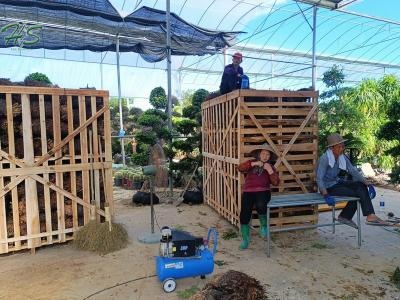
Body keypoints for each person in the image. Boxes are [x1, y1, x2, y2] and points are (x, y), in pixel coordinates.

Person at [316, 133, 389, 227]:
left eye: (342, 146)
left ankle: (370, 215)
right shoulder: (325, 159)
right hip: (328, 187)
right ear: (331, 148)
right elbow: (319, 178)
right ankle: (345, 216)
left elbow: (353, 171)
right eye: (339, 147)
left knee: (360, 185)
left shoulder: (342, 157)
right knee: (358, 193)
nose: (342, 149)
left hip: (337, 181)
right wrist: (325, 194)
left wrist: (367, 184)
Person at [237, 145, 280, 250]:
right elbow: (240, 168)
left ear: (270, 157)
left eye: (268, 154)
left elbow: (276, 182)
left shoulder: (271, 166)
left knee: (261, 205)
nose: (265, 156)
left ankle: (264, 226)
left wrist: (270, 170)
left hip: (263, 191)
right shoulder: (251, 163)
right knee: (244, 215)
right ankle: (245, 240)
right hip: (248, 191)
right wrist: (254, 163)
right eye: (263, 154)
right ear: (258, 154)